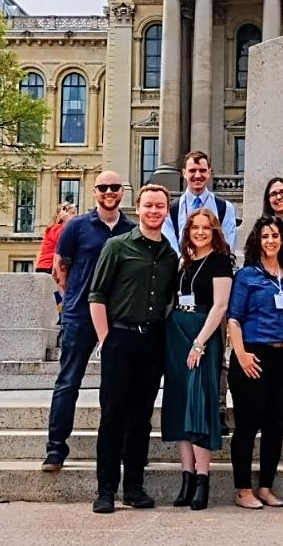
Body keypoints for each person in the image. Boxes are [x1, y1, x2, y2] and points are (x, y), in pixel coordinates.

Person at [88, 183, 179, 514]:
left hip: (152, 341)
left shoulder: (170, 254)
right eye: (149, 206)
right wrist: (106, 339)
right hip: (120, 338)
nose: (154, 211)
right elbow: (96, 294)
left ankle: (134, 487)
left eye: (160, 206)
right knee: (113, 415)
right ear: (137, 209)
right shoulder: (117, 246)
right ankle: (106, 489)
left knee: (141, 418)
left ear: (166, 211)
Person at [42, 172, 134, 473]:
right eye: (103, 187)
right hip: (80, 315)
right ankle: (55, 450)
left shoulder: (130, 230)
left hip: (117, 317)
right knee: (68, 382)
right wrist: (73, 299)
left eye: (115, 187)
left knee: (117, 387)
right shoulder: (77, 227)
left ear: (122, 192)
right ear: (94, 192)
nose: (109, 192)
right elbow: (60, 268)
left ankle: (117, 449)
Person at [161, 208, 233, 510]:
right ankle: (186, 478)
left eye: (206, 227)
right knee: (179, 404)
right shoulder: (184, 262)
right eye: (195, 227)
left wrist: (200, 344)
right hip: (177, 331)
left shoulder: (219, 262)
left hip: (201, 334)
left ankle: (203, 479)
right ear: (188, 230)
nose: (200, 232)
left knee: (200, 404)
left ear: (215, 231)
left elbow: (219, 307)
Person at [226, 216, 283, 509]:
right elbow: (234, 318)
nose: (270, 240)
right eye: (265, 236)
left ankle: (266, 486)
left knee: (275, 425)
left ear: (282, 240)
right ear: (258, 241)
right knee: (247, 425)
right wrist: (241, 355)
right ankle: (243, 488)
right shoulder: (246, 276)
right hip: (253, 355)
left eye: (275, 235)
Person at [162, 150, 237, 253]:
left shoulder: (225, 208)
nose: (197, 175)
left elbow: (228, 246)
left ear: (209, 173)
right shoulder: (170, 210)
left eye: (202, 170)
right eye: (192, 171)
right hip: (181, 267)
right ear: (184, 173)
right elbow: (171, 247)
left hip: (214, 267)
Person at [35, 203, 77, 274]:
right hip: (47, 267)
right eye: (72, 213)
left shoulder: (64, 229)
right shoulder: (55, 228)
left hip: (54, 266)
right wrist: (68, 222)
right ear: (63, 214)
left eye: (76, 213)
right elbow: (67, 241)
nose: (75, 216)